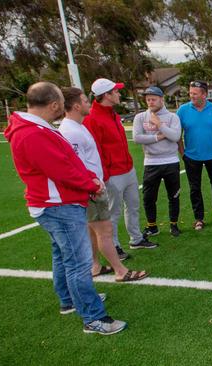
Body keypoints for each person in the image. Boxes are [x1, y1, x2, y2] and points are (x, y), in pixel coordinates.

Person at [4, 82, 127, 335]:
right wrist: (91, 185)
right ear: (54, 104)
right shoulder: (32, 133)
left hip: (56, 203)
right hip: (58, 205)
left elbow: (67, 162)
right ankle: (94, 318)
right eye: (60, 100)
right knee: (78, 262)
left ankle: (68, 300)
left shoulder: (35, 128)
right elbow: (60, 169)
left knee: (63, 256)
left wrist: (88, 179)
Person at [59, 87, 148, 282]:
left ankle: (95, 265)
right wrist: (95, 184)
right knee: (105, 230)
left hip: (96, 184)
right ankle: (120, 271)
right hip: (92, 188)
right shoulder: (70, 131)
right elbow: (76, 165)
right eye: (84, 100)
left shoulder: (79, 125)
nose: (88, 103)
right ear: (75, 105)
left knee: (93, 229)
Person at [84, 78, 157, 261]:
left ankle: (136, 238)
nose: (119, 94)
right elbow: (96, 150)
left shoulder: (113, 114)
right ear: (106, 95)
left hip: (127, 169)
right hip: (112, 174)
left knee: (133, 205)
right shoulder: (92, 119)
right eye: (115, 91)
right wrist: (105, 175)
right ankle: (114, 245)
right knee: (112, 212)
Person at [176, 80, 212, 230]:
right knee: (195, 188)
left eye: (195, 94)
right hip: (191, 157)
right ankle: (199, 218)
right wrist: (183, 154)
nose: (192, 96)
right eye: (190, 93)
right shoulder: (182, 110)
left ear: (204, 94)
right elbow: (178, 134)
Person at [132, 86, 182, 237]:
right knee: (149, 197)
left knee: (173, 195)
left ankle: (174, 225)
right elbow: (137, 138)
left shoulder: (173, 117)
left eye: (153, 99)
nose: (150, 102)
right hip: (151, 162)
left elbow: (175, 137)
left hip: (171, 161)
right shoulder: (140, 117)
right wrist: (158, 137)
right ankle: (152, 226)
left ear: (162, 99)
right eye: (148, 99)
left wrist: (159, 125)